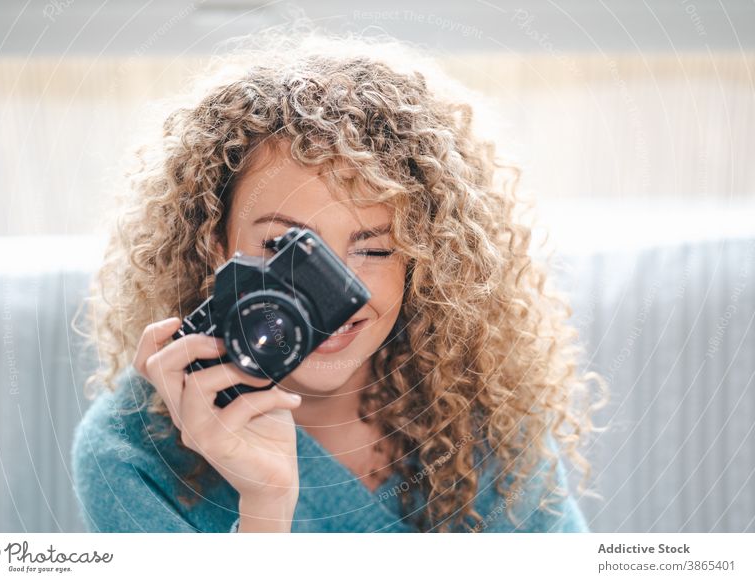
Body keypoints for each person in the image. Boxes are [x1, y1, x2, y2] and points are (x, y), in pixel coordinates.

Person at [71, 29, 606, 533]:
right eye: (285, 247)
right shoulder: (129, 455)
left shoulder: (479, 408)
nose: (333, 295)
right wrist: (266, 507)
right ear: (215, 246)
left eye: (372, 248)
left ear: (422, 260)